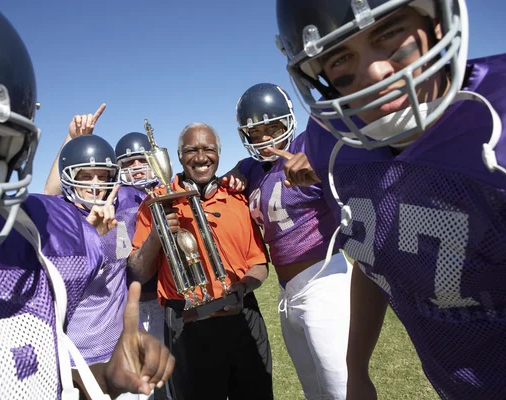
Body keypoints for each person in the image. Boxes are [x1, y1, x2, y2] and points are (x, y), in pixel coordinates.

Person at [0, 1, 173, 399]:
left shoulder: (33, 235)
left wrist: (104, 379)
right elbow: (52, 198)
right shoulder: (58, 225)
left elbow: (45, 382)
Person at [275, 0, 506, 398]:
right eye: (340, 56)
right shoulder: (331, 141)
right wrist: (356, 368)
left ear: (435, 22)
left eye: (389, 33)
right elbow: (375, 256)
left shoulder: (496, 116)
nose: (375, 72)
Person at [127, 123, 274, 400]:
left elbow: (259, 264)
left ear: (218, 153)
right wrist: (157, 235)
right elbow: (138, 271)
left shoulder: (236, 198)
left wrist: (241, 289)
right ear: (179, 157)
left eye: (208, 149)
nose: (201, 157)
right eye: (192, 150)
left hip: (241, 313)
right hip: (187, 321)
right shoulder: (155, 203)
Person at [228, 82, 352, 399]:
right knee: (313, 388)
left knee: (341, 385)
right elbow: (232, 176)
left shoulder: (311, 149)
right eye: (254, 133)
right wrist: (236, 173)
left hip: (324, 279)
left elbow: (354, 178)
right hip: (287, 292)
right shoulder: (251, 169)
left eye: (271, 128)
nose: (264, 140)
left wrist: (322, 170)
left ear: (288, 122)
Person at [115, 132, 170, 400]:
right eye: (128, 164)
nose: (136, 168)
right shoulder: (118, 202)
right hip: (134, 306)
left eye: (141, 160)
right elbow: (125, 261)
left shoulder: (166, 188)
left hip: (168, 304)